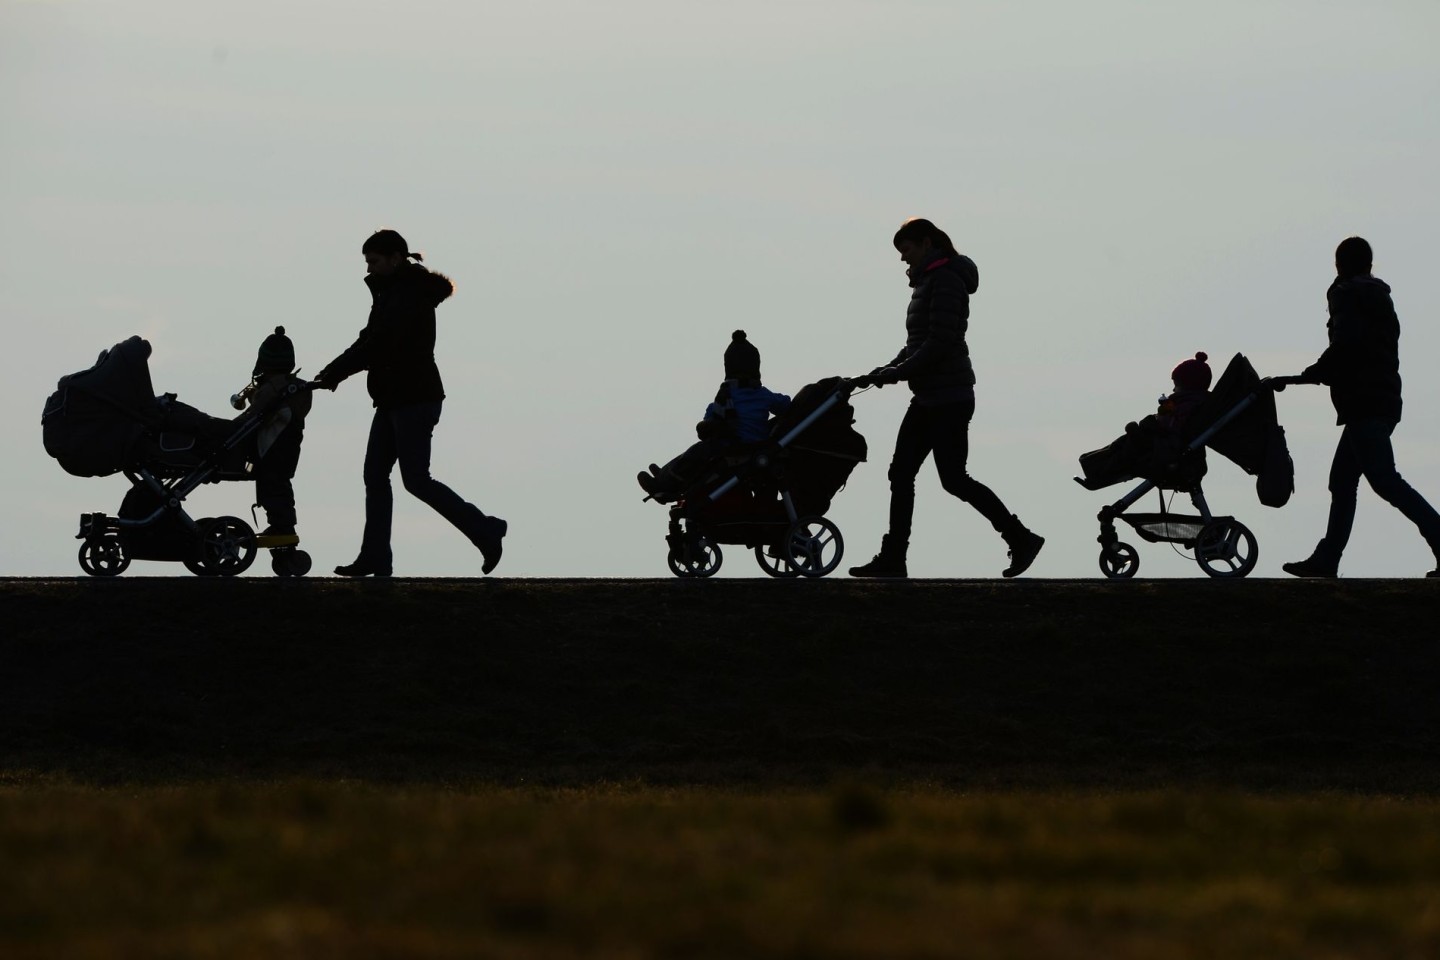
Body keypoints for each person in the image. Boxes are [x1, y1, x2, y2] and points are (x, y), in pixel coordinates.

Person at [848, 217, 1044, 578]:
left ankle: (1020, 538)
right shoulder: (927, 282)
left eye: (906, 251)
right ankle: (893, 558)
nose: (903, 260)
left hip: (949, 397)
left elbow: (940, 341)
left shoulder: (947, 280)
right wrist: (887, 369)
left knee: (953, 479)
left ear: (926, 243)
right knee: (901, 473)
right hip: (928, 396)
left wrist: (898, 372)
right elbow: (917, 343)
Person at [313, 229, 507, 577]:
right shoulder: (393, 292)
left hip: (414, 398)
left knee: (415, 480)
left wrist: (335, 373)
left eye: (373, 261)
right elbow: (369, 338)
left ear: (395, 258)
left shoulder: (407, 294)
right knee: (376, 474)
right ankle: (375, 557)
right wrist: (331, 371)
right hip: (393, 398)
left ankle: (485, 529)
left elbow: (378, 344)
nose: (369, 269)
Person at [1273, 236, 1440, 578]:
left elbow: (1347, 343)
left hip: (1365, 401)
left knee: (1384, 480)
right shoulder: (1379, 296)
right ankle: (1327, 558)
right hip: (1381, 397)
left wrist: (1317, 372)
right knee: (1343, 481)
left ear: (1339, 264)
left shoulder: (1347, 293)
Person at [637, 330, 791, 501]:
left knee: (696, 453)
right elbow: (785, 405)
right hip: (754, 444)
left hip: (736, 446)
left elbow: (711, 416)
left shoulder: (726, 395)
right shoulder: (763, 394)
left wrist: (709, 425)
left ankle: (667, 480)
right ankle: (667, 475)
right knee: (698, 454)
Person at [1076, 352, 1213, 489]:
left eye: (1176, 385)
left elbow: (1173, 427)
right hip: (1166, 446)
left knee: (1127, 450)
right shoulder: (1194, 403)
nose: (1173, 389)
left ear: (1187, 385)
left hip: (1168, 451)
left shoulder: (1190, 405)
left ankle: (1097, 471)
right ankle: (1095, 467)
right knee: (1124, 444)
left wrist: (1158, 421)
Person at [233, 325, 311, 549]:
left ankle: (282, 526)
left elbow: (255, 416)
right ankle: (282, 525)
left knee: (271, 486)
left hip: (271, 449)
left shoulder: (271, 390)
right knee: (280, 485)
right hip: (290, 447)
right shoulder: (299, 389)